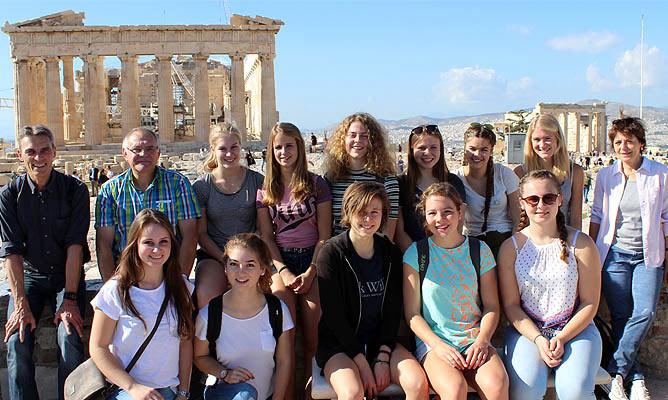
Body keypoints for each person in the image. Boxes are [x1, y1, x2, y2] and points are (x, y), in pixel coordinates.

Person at [0, 125, 90, 400]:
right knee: (16, 340)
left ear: (54, 152)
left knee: (70, 334)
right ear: (20, 155)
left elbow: (76, 246)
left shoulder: (75, 190)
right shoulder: (9, 195)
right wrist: (20, 304)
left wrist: (71, 299)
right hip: (30, 277)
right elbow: (11, 252)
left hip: (67, 276)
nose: (38, 158)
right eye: (31, 152)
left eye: (44, 151)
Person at [316, 181, 429, 400]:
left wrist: (383, 357)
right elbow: (334, 316)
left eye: (374, 212)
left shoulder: (390, 253)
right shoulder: (331, 254)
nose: (368, 219)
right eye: (361, 212)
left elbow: (392, 309)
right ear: (348, 211)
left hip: (380, 342)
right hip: (340, 345)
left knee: (417, 383)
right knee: (353, 393)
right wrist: (363, 364)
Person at [497, 170, 602, 400]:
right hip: (528, 332)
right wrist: (538, 339)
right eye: (533, 199)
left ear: (559, 199)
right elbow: (512, 306)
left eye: (549, 198)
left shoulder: (581, 245)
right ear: (522, 203)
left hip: (576, 329)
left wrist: (562, 337)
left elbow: (589, 302)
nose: (541, 204)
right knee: (525, 391)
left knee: (574, 391)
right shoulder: (511, 249)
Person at [403, 182, 508, 400]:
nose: (440, 219)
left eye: (447, 212)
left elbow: (491, 306)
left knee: (497, 386)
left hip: (474, 339)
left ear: (460, 212)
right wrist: (438, 346)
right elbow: (412, 314)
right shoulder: (417, 253)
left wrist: (482, 340)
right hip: (436, 342)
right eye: (432, 213)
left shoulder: (479, 250)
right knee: (454, 389)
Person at [589, 117, 668, 400]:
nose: (624, 146)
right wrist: (589, 251)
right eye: (618, 142)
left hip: (649, 255)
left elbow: (666, 218)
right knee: (622, 316)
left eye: (629, 141)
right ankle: (635, 380)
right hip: (615, 255)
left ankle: (616, 372)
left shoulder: (660, 174)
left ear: (641, 144)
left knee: (643, 312)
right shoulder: (605, 175)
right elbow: (597, 215)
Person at [256, 122, 332, 398]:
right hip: (281, 262)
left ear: (299, 146)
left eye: (289, 145)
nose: (284, 152)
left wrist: (311, 271)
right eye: (278, 147)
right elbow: (266, 237)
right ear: (271, 151)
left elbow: (325, 235)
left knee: (313, 334)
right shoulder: (265, 190)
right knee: (285, 338)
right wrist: (284, 271)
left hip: (314, 258)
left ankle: (313, 393)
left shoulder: (317, 184)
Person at [89, 209, 194, 400]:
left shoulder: (181, 287)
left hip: (167, 390)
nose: (157, 250)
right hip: (127, 389)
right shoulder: (116, 290)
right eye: (148, 243)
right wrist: (133, 387)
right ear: (135, 244)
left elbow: (185, 341)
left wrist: (184, 392)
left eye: (164, 242)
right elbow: (98, 347)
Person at [193, 233, 294, 400]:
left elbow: (284, 361)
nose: (241, 272)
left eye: (250, 265)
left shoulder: (276, 310)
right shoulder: (210, 314)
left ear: (262, 269)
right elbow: (199, 357)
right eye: (234, 264)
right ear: (225, 267)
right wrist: (224, 373)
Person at [95, 127, 201, 281]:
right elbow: (103, 244)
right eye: (137, 149)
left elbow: (190, 236)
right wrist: (111, 289)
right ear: (125, 153)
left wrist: (181, 281)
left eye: (150, 149)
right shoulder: (109, 190)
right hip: (126, 275)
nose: (144, 154)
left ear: (158, 153)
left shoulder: (178, 183)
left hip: (169, 273)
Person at [192, 123, 265, 308]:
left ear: (241, 147)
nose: (229, 154)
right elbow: (201, 234)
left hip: (251, 253)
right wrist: (225, 260)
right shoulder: (202, 187)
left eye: (234, 147)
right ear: (213, 149)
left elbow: (262, 226)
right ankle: (208, 336)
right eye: (223, 148)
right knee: (206, 294)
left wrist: (244, 258)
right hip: (214, 255)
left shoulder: (257, 181)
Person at [324, 112, 399, 238]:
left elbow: (388, 231)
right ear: (343, 139)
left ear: (373, 142)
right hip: (338, 252)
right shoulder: (331, 179)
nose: (357, 140)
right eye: (352, 135)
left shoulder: (387, 180)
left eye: (364, 136)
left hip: (372, 252)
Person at [396, 124, 466, 251]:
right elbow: (399, 231)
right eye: (422, 148)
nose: (427, 153)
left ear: (441, 149)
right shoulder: (401, 184)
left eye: (433, 147)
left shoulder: (453, 182)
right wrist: (418, 258)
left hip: (446, 255)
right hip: (411, 256)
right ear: (411, 151)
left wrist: (441, 255)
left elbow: (457, 227)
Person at [456, 122, 520, 258]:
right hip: (472, 240)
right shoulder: (456, 178)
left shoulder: (504, 174)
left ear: (491, 151)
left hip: (503, 238)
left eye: (484, 150)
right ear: (465, 149)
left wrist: (514, 249)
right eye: (472, 149)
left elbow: (517, 217)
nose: (477, 154)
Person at [513, 113, 585, 229]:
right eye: (537, 139)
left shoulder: (575, 172)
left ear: (558, 139)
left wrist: (575, 243)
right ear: (530, 142)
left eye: (547, 139)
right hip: (532, 239)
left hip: (564, 237)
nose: (542, 145)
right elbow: (518, 216)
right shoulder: (519, 173)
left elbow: (576, 217)